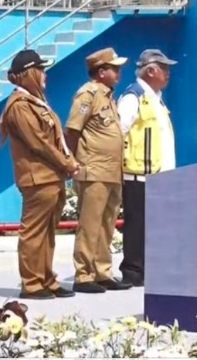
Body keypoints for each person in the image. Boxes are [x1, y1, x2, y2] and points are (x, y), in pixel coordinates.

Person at [0, 49, 79, 300]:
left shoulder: (36, 102)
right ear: (28, 75)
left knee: (47, 232)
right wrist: (67, 163)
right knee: (34, 232)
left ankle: (46, 278)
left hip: (50, 177)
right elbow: (39, 143)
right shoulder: (19, 106)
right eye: (40, 70)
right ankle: (32, 283)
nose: (45, 75)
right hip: (37, 178)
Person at [64, 47, 132, 293]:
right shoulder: (88, 94)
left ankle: (102, 271)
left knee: (107, 224)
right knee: (90, 224)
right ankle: (83, 274)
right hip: (93, 169)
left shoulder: (108, 96)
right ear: (101, 72)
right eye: (114, 68)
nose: (118, 72)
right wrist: (71, 163)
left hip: (112, 171)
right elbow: (72, 130)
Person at [117, 48, 178, 287]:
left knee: (153, 226)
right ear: (151, 70)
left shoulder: (155, 97)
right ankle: (133, 272)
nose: (168, 73)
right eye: (165, 68)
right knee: (136, 226)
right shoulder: (134, 97)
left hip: (157, 175)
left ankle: (148, 269)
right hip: (138, 175)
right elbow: (118, 132)